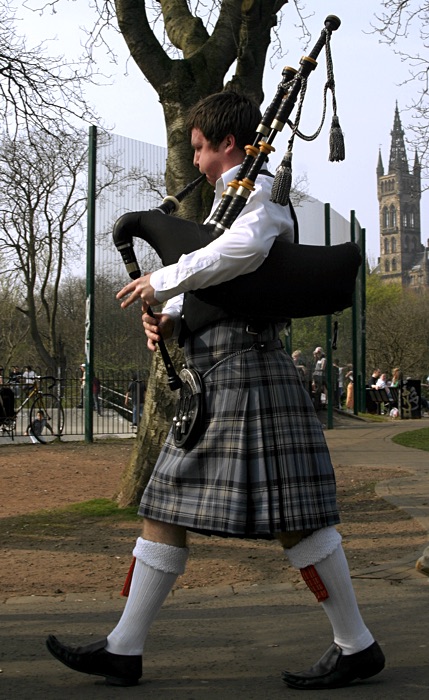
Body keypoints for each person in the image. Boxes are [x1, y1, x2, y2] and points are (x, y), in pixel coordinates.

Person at [46, 91, 384, 690]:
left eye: (200, 147)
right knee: (163, 504)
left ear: (227, 143)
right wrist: (170, 318)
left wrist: (163, 278)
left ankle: (357, 644)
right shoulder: (224, 208)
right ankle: (124, 647)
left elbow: (245, 253)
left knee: (296, 520)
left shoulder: (259, 195)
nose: (195, 160)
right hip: (219, 379)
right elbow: (215, 281)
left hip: (250, 375)